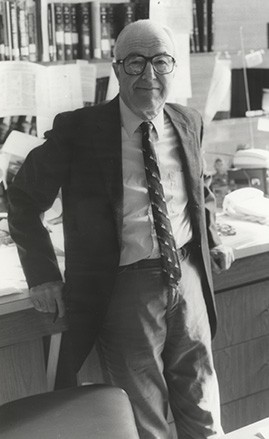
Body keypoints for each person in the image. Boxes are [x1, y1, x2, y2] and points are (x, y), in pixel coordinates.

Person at [8, 20, 234, 439]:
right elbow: (21, 199)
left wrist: (213, 237)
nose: (149, 75)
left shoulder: (187, 121)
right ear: (116, 69)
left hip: (187, 277)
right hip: (123, 288)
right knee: (143, 415)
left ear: (173, 68)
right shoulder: (80, 130)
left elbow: (197, 186)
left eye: (160, 62)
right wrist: (42, 276)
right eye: (136, 62)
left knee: (202, 401)